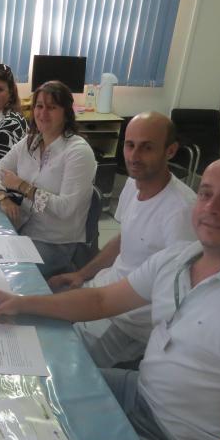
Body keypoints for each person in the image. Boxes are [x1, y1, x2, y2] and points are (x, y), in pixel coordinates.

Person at [0, 157, 220, 440]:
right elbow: (101, 301)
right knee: (25, 388)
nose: (212, 207)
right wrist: (20, 302)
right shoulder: (180, 257)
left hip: (176, 435)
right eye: (206, 193)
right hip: (140, 392)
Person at [49, 111, 197, 367]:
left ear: (170, 151)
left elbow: (181, 292)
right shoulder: (133, 183)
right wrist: (81, 275)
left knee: (61, 362)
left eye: (147, 147)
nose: (134, 156)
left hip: (128, 321)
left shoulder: (181, 211)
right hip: (102, 292)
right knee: (39, 320)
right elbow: (123, 241)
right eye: (130, 145)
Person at [0, 81, 97, 277]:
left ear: (66, 113)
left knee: (0, 274)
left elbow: (66, 209)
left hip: (56, 244)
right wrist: (3, 197)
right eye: (39, 106)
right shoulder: (30, 142)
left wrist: (23, 186)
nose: (43, 113)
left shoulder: (78, 151)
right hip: (23, 230)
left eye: (52, 108)